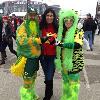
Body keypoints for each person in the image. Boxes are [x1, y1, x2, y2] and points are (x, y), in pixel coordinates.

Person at [11, 7, 51, 100]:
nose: (32, 17)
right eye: (31, 15)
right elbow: (21, 41)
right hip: (26, 58)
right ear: (27, 16)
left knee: (33, 77)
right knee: (27, 80)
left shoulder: (36, 26)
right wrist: (39, 40)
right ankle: (26, 97)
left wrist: (47, 40)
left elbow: (40, 39)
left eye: (34, 15)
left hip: (35, 57)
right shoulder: (22, 27)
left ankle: (31, 95)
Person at [55, 9, 84, 100]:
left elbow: (77, 45)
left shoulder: (78, 30)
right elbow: (57, 43)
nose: (68, 22)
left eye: (70, 20)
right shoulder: (62, 32)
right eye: (66, 20)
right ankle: (66, 97)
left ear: (74, 20)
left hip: (74, 62)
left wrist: (63, 44)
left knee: (73, 83)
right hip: (64, 62)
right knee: (66, 81)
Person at [39, 8, 58, 100]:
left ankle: (47, 96)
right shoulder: (40, 26)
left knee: (49, 75)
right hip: (43, 55)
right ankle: (50, 91)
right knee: (47, 74)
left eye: (51, 15)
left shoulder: (57, 27)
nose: (49, 17)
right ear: (45, 16)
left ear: (54, 17)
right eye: (47, 15)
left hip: (53, 55)